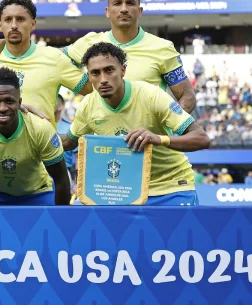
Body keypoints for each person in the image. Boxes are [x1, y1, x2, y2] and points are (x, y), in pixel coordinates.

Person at [0, 0, 196, 113]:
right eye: (117, 4)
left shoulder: (162, 47)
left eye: (130, 3)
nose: (124, 9)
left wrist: (168, 124)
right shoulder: (90, 43)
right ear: (108, 11)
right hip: (106, 139)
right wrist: (7, 41)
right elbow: (45, 56)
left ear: (140, 11)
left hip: (149, 141)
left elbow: (187, 96)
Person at [61, 43, 210, 206]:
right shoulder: (88, 106)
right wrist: (36, 130)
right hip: (124, 190)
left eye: (109, 70)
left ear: (123, 70)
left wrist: (158, 139)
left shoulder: (152, 95)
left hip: (171, 188)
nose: (103, 79)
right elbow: (68, 142)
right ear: (89, 76)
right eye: (95, 73)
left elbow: (202, 138)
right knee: (78, 215)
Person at [0, 67, 71, 206]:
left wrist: (60, 220)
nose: (2, 108)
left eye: (9, 101)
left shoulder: (40, 128)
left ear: (19, 102)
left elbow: (61, 179)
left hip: (37, 193)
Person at [0, 0, 91, 128]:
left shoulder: (55, 58)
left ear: (33, 24)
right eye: (8, 20)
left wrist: (76, 131)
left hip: (43, 146)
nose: (14, 25)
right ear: (0, 26)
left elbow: (94, 92)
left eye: (20, 19)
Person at [54, 94, 77, 179]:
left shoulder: (70, 128)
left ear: (60, 106)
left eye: (51, 101)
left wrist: (77, 182)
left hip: (65, 173)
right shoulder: (39, 125)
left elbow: (78, 157)